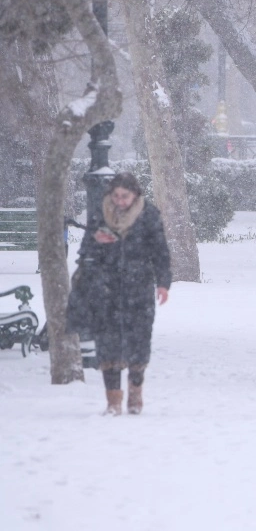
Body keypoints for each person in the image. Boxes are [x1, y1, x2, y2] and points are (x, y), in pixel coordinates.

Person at [71, 172, 171, 416]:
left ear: (135, 194)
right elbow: (85, 251)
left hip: (139, 288)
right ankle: (113, 401)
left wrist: (163, 283)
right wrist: (97, 242)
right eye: (115, 196)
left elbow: (160, 251)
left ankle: (135, 395)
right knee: (108, 342)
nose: (120, 201)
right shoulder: (100, 214)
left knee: (139, 340)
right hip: (106, 289)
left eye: (124, 196)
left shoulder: (148, 214)